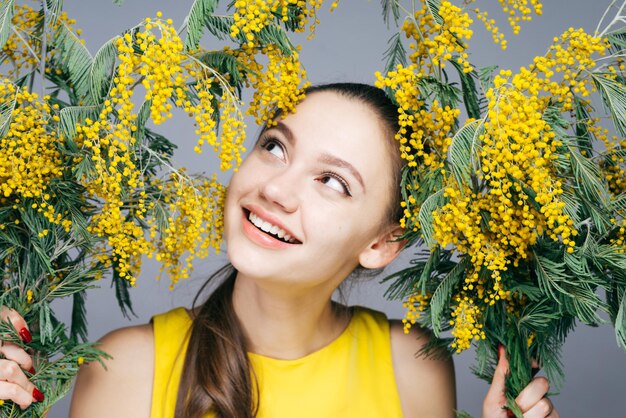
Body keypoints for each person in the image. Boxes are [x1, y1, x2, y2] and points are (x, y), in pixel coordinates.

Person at [0, 83, 559, 418]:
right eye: (274, 146)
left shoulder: (413, 366)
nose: (276, 189)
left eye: (333, 182)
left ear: (382, 243)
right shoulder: (125, 369)